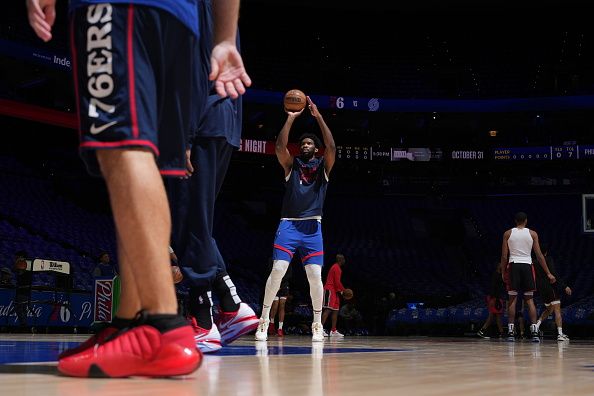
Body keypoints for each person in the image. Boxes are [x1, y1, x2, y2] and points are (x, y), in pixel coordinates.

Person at [27, 0, 250, 378]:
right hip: (183, 24)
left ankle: (162, 327)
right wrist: (225, 36)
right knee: (150, 161)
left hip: (117, 9)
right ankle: (130, 321)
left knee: (120, 147)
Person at [165, 0, 258, 354]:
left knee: (186, 225)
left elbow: (191, 67)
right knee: (196, 224)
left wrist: (184, 136)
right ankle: (232, 306)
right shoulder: (221, 12)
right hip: (222, 121)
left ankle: (203, 323)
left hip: (200, 121)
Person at [255, 95, 336, 342]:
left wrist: (319, 117)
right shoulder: (293, 166)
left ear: (316, 147)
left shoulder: (323, 166)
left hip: (313, 227)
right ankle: (264, 320)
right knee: (278, 271)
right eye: (302, 143)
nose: (305, 145)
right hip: (289, 224)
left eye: (310, 143)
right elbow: (280, 147)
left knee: (314, 277)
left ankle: (316, 324)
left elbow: (331, 147)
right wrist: (290, 119)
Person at [500, 212, 555, 342]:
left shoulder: (507, 233)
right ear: (526, 221)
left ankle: (511, 332)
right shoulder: (532, 234)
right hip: (527, 265)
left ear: (515, 221)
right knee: (529, 300)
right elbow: (540, 256)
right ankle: (535, 331)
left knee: (512, 299)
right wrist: (548, 273)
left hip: (513, 265)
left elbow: (503, 256)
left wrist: (503, 272)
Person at [534, 244, 571, 341]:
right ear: (546, 252)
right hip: (550, 287)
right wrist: (564, 286)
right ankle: (560, 334)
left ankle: (536, 326)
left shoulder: (534, 262)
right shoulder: (548, 259)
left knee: (549, 309)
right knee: (557, 310)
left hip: (541, 289)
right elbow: (553, 273)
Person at [321, 253, 347, 337]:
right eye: (343, 259)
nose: (344, 261)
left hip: (335, 291)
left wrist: (341, 291)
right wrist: (343, 291)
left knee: (335, 311)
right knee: (328, 310)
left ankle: (333, 330)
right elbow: (337, 282)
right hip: (330, 290)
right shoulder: (336, 268)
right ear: (340, 260)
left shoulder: (337, 268)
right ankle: (319, 330)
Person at [477, 263, 506, 339]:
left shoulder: (500, 275)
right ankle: (483, 331)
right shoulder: (496, 275)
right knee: (493, 316)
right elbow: (494, 288)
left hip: (495, 298)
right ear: (498, 266)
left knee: (496, 316)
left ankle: (501, 333)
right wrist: (495, 299)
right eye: (501, 264)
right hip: (495, 298)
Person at [269, 260, 292, 337]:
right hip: (274, 283)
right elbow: (271, 271)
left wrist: (281, 284)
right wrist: (277, 283)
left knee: (282, 306)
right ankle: (271, 325)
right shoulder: (272, 260)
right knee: (275, 305)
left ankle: (280, 328)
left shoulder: (288, 261)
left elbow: (289, 274)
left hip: (284, 286)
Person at [12, 251, 31, 331]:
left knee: (19, 308)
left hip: (22, 290)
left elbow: (16, 270)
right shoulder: (28, 264)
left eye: (17, 257)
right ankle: (24, 326)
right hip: (24, 290)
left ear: (21, 257)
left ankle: (24, 325)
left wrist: (17, 262)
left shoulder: (23, 264)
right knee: (23, 309)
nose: (16, 258)